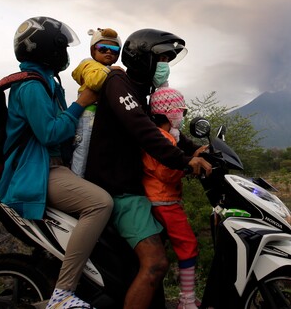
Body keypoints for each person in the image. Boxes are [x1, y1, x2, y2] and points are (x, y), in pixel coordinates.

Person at [84, 28, 211, 309]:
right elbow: (142, 129)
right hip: (119, 191)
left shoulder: (145, 93)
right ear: (143, 58)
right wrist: (183, 160)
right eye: (162, 58)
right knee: (156, 263)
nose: (165, 65)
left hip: (134, 190)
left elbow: (163, 127)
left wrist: (196, 150)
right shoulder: (119, 82)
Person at [0, 16, 113, 309]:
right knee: (100, 203)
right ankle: (62, 293)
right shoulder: (32, 86)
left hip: (51, 166)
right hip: (37, 170)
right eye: (61, 47)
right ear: (47, 49)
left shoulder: (48, 82)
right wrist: (81, 102)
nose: (66, 55)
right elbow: (49, 133)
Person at [143, 86, 200, 309]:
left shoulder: (164, 136)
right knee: (188, 245)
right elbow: (166, 172)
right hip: (164, 200)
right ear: (170, 113)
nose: (183, 116)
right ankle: (186, 299)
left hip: (158, 197)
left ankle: (187, 295)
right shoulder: (162, 138)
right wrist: (187, 167)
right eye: (181, 112)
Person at [70, 27, 123, 176]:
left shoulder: (105, 68)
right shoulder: (89, 65)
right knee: (83, 153)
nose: (108, 52)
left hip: (99, 117)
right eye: (103, 48)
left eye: (113, 48)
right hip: (88, 116)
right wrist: (111, 70)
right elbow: (94, 82)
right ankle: (77, 183)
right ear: (93, 50)